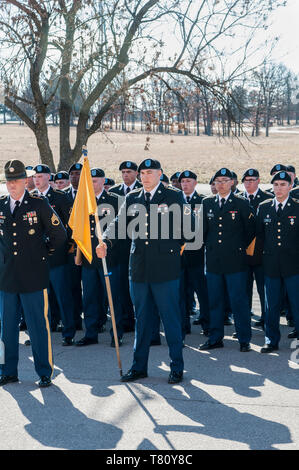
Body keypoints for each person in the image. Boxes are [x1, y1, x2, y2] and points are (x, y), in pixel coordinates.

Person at [97, 159, 194, 384]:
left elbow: (189, 229)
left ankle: (176, 368)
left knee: (170, 319)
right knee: (142, 320)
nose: (145, 176)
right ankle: (139, 367)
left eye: (150, 172)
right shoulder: (132, 198)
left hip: (165, 269)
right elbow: (119, 223)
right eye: (142, 173)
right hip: (139, 268)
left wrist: (170, 246)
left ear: (160, 173)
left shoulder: (173, 196)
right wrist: (106, 242)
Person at [0, 160, 67, 387]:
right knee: (7, 329)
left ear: (25, 181)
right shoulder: (0, 205)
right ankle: (8, 371)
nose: (12, 185)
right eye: (8, 181)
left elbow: (59, 235)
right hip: (7, 278)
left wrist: (42, 253)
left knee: (38, 327)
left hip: (33, 276)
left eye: (16, 180)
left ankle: (44, 372)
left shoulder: (38, 204)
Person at [199, 168, 255, 352]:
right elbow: (203, 231)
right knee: (215, 301)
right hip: (214, 261)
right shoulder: (207, 203)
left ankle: (244, 339)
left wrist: (238, 249)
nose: (221, 184)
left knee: (238, 301)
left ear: (232, 182)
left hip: (235, 261)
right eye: (218, 181)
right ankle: (215, 338)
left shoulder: (241, 203)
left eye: (225, 180)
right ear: (214, 183)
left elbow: (250, 231)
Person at [75, 168, 123, 347]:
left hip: (108, 257)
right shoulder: (82, 203)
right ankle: (91, 333)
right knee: (90, 297)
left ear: (103, 182)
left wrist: (109, 247)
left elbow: (121, 230)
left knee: (113, 298)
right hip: (89, 258)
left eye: (95, 181)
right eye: (89, 181)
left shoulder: (115, 201)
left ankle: (116, 334)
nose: (92, 184)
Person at [256, 170, 299, 352]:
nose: (279, 188)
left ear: (290, 187)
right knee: (271, 306)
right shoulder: (264, 207)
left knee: (297, 304)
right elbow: (259, 236)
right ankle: (271, 340)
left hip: (293, 266)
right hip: (271, 265)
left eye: (283, 184)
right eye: (276, 185)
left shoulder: (297, 207)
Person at [33, 164, 76, 346]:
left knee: (62, 295)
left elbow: (71, 224)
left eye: (41, 176)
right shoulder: (30, 198)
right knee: (42, 298)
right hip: (36, 257)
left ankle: (68, 332)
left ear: (49, 177)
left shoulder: (60, 197)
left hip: (57, 256)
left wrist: (69, 248)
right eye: (35, 176)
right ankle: (47, 330)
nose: (37, 179)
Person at [109, 161, 142, 333]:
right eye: (123, 172)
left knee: (135, 288)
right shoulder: (113, 192)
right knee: (120, 287)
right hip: (118, 248)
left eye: (129, 171)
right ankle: (124, 321)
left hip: (137, 245)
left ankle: (136, 319)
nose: (125, 175)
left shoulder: (142, 192)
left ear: (136, 173)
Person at [240, 168, 274, 328]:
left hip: (261, 253)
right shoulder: (238, 199)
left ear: (259, 181)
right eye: (246, 180)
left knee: (263, 288)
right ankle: (245, 319)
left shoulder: (268, 199)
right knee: (244, 289)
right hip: (243, 254)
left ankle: (266, 318)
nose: (249, 183)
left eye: (252, 180)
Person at [179, 170, 210, 336]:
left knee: (202, 293)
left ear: (195, 183)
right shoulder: (175, 202)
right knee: (181, 294)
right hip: (179, 257)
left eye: (188, 181)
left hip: (197, 256)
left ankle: (206, 324)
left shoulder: (203, 202)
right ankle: (184, 326)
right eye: (183, 181)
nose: (185, 184)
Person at [65, 162, 84, 331]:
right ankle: (75, 318)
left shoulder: (90, 196)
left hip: (87, 247)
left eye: (78, 173)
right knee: (72, 286)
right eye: (72, 174)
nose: (74, 177)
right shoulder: (63, 195)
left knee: (93, 288)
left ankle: (97, 320)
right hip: (70, 249)